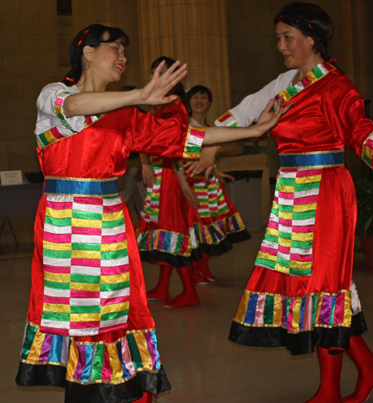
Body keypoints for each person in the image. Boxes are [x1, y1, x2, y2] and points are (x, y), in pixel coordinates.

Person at [15, 24, 288, 403]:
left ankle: (118, 385)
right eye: (115, 48)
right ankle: (88, 388)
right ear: (88, 53)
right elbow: (74, 107)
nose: (123, 57)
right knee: (78, 312)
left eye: (126, 51)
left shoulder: (126, 115)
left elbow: (188, 139)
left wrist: (254, 130)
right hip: (67, 221)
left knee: (114, 308)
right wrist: (138, 95)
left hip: (110, 220)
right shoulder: (55, 95)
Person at [215, 3, 373, 403]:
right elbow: (248, 115)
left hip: (324, 194)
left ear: (313, 38)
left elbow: (364, 134)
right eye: (278, 38)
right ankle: (369, 368)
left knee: (322, 289)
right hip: (292, 192)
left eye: (288, 37)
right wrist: (206, 144)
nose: (281, 45)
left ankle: (329, 390)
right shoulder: (290, 87)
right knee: (310, 288)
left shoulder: (337, 87)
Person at [136, 56, 204, 308]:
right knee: (162, 230)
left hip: (172, 175)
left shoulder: (175, 107)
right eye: (155, 72)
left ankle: (189, 291)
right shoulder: (162, 106)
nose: (158, 76)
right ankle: (163, 287)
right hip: (163, 173)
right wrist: (144, 162)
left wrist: (184, 183)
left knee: (171, 230)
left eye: (164, 72)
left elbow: (178, 149)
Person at [185, 85, 251, 283]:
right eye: (195, 97)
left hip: (209, 184)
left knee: (215, 225)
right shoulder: (185, 125)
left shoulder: (210, 126)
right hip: (192, 182)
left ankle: (203, 265)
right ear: (189, 102)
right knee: (197, 227)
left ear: (209, 102)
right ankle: (196, 268)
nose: (199, 101)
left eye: (203, 97)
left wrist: (217, 172)